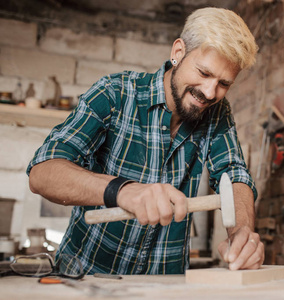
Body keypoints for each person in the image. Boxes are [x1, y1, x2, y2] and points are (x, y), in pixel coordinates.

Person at [27, 7, 264, 275]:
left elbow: (235, 174)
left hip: (165, 287)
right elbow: (42, 172)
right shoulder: (114, 93)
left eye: (224, 83)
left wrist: (243, 233)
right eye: (204, 73)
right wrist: (123, 191)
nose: (210, 92)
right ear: (178, 53)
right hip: (85, 278)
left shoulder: (218, 113)